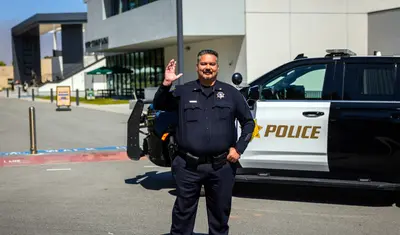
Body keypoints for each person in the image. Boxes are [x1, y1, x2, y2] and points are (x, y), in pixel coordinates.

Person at [153, 49, 255, 235]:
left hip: (222, 166)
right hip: (187, 165)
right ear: (197, 67)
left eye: (211, 64)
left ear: (217, 67)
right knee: (182, 216)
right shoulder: (183, 92)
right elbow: (159, 105)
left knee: (219, 218)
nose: (207, 67)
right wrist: (166, 84)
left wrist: (239, 149)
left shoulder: (231, 93)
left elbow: (248, 122)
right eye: (203, 64)